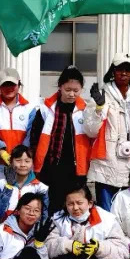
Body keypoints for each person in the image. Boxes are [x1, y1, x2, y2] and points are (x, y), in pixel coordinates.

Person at [84, 52, 130, 210]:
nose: (123, 73)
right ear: (113, 71)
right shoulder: (101, 95)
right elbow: (90, 131)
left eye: (128, 70)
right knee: (106, 214)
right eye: (119, 69)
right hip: (106, 166)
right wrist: (99, 108)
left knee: (129, 213)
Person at [29, 66, 89, 213]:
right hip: (50, 166)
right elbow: (35, 137)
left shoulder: (85, 110)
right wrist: (37, 161)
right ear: (60, 87)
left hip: (75, 167)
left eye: (76, 90)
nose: (72, 94)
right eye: (68, 90)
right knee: (50, 205)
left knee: (72, 206)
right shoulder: (46, 109)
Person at [45, 185, 128, 259]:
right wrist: (67, 245)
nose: (75, 208)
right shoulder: (57, 219)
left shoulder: (108, 220)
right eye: (70, 204)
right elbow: (46, 247)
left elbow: (123, 253)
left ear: (90, 203)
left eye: (79, 203)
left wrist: (99, 248)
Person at [0, 67, 39, 182]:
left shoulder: (30, 108)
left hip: (23, 165)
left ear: (19, 85)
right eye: (5, 85)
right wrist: (1, 151)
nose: (9, 88)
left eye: (12, 84)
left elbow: (30, 135)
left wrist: (21, 157)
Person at [0, 145, 50, 225]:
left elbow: (44, 218)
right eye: (18, 160)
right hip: (4, 229)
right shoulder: (0, 184)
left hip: (30, 231)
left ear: (32, 163)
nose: (23, 165)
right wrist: (8, 187)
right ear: (11, 162)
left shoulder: (41, 188)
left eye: (27, 161)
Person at [0, 193, 52, 259]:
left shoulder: (39, 234)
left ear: (40, 215)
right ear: (18, 210)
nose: (31, 213)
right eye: (27, 208)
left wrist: (39, 243)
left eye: (36, 210)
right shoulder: (1, 232)